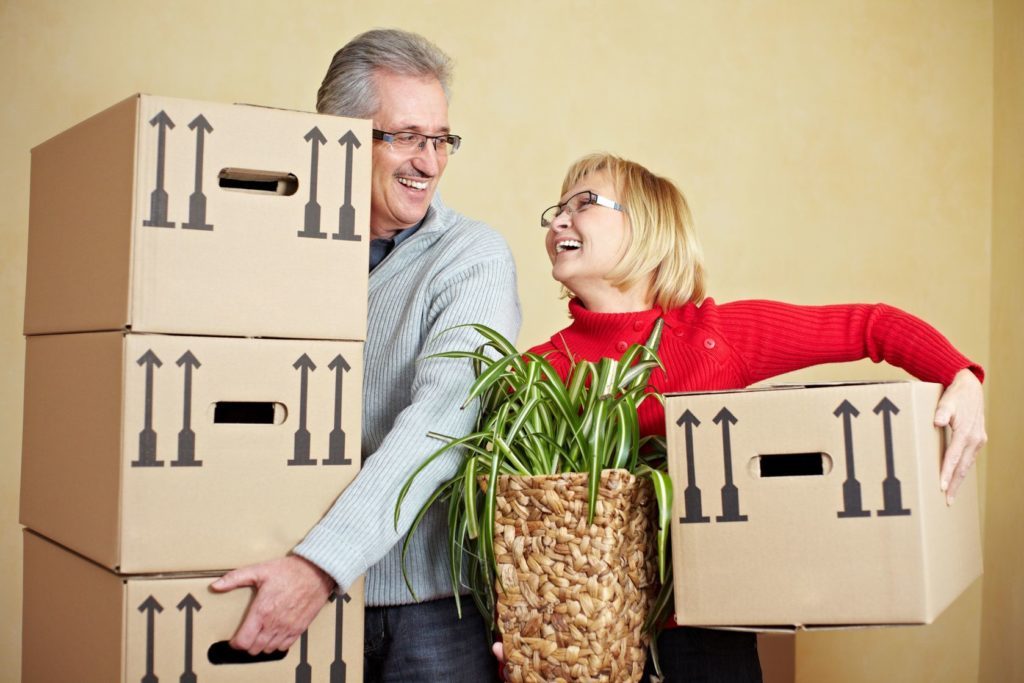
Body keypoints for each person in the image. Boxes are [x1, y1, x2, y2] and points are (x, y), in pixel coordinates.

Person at [524, 152, 986, 682]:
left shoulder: (715, 336)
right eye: (556, 209)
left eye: (584, 203)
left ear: (649, 229)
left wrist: (964, 376)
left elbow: (871, 325)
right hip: (581, 630)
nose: (559, 219)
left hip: (707, 634)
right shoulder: (537, 371)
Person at [211, 29, 520, 682]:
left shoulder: (471, 257)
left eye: (440, 139)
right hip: (279, 574)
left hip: (424, 608)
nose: (429, 162)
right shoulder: (268, 245)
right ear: (339, 139)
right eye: (406, 136)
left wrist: (321, 566)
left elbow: (443, 421)